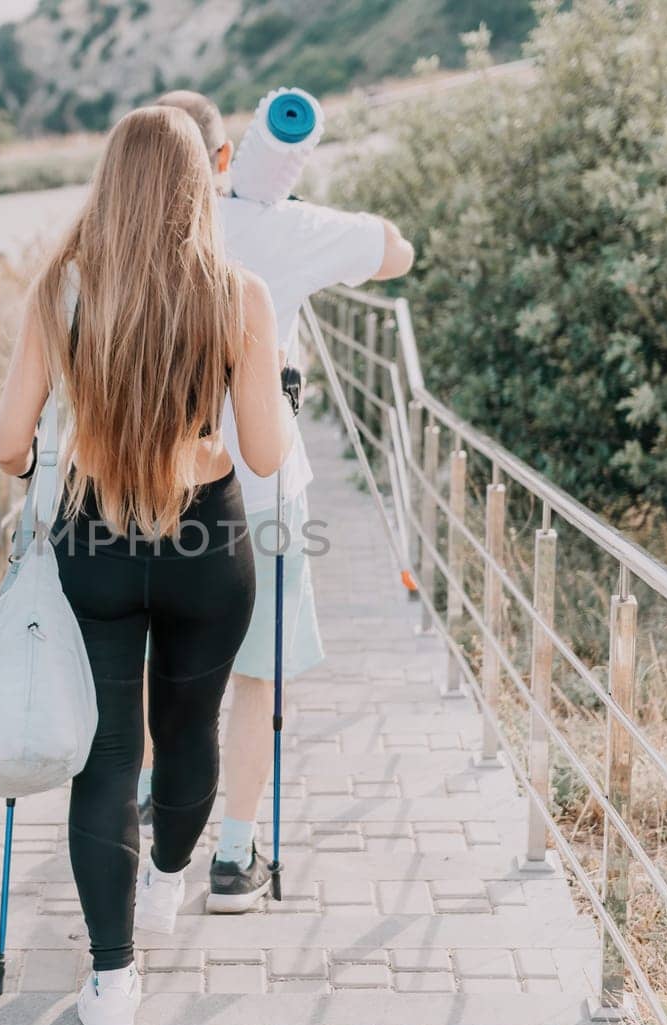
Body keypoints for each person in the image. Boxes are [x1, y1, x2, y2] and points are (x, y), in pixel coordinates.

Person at [0, 105, 294, 1025]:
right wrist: (268, 391)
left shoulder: (61, 290)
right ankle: (167, 884)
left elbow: (7, 447)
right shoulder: (238, 297)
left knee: (109, 757)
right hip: (206, 542)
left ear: (109, 182)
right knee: (189, 730)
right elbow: (269, 455)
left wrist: (60, 446)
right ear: (202, 181)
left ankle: (111, 985)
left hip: (96, 539)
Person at [141, 89, 415, 912]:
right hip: (260, 495)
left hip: (153, 493)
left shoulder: (128, 238)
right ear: (225, 157)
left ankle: (160, 797)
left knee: (167, 662)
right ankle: (233, 856)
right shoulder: (281, 230)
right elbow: (396, 252)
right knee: (258, 675)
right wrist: (289, 209)